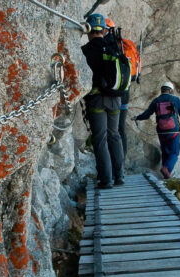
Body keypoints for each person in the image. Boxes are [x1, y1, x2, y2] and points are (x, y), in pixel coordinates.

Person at [82, 14, 125, 188]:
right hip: (115, 98)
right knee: (114, 135)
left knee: (100, 138)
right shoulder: (113, 47)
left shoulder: (86, 50)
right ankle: (120, 176)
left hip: (97, 99)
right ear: (104, 30)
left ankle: (106, 179)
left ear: (89, 29)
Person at [132, 82, 180, 179]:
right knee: (174, 152)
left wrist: (137, 117)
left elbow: (146, 114)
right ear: (170, 90)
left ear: (162, 90)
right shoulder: (175, 100)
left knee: (165, 152)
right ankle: (166, 169)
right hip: (173, 131)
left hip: (161, 132)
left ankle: (165, 174)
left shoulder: (156, 101)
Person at [105, 18, 141, 159]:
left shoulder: (108, 45)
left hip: (112, 93)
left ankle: (113, 162)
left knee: (110, 129)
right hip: (125, 91)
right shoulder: (124, 45)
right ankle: (121, 162)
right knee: (120, 128)